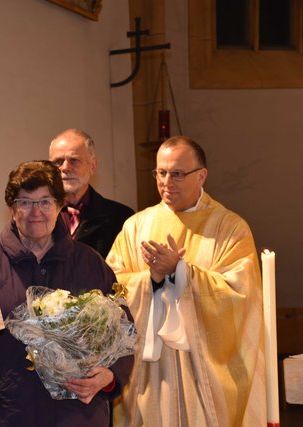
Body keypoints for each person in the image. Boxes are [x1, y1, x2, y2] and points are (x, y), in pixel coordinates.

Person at [0, 160, 133, 426]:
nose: (35, 212)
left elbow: (124, 332)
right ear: (12, 208)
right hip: (3, 413)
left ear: (60, 205)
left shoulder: (89, 263)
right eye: (25, 202)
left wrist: (109, 376)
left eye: (45, 201)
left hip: (76, 415)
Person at [106, 136, 266, 426]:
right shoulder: (135, 227)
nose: (167, 182)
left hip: (200, 371)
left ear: (201, 175)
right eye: (161, 172)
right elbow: (109, 288)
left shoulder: (230, 228)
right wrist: (150, 280)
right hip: (147, 370)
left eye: (177, 173)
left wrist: (182, 273)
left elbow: (240, 293)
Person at [49, 129, 134, 258]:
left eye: (74, 160)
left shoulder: (122, 218)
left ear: (93, 166)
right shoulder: (37, 215)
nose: (65, 168)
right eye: (58, 162)